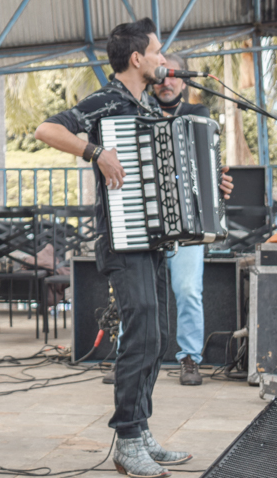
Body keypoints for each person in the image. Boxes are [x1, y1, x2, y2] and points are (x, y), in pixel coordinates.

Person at [35, 19, 232, 478]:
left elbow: (170, 177)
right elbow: (47, 130)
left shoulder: (145, 107)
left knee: (155, 337)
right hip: (122, 242)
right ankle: (126, 440)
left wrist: (211, 188)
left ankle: (140, 431)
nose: (163, 59)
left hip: (153, 241)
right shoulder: (107, 100)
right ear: (137, 58)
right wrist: (95, 152)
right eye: (158, 51)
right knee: (140, 337)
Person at [103, 53, 210, 389]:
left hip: (187, 223)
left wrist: (218, 183)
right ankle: (127, 357)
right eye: (161, 76)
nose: (167, 82)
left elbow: (207, 166)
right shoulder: (137, 113)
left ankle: (190, 358)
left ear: (184, 81)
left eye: (173, 76)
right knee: (139, 294)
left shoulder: (198, 114)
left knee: (188, 290)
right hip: (145, 218)